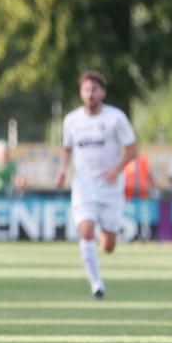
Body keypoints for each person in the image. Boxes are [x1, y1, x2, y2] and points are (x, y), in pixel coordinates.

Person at [56, 70, 137, 299]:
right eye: (86, 89)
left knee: (108, 245)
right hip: (84, 186)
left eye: (94, 89)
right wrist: (62, 170)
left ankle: (107, 238)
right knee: (86, 229)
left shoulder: (115, 118)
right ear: (81, 93)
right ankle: (96, 284)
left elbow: (132, 149)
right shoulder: (71, 120)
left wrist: (117, 169)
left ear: (103, 92)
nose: (90, 94)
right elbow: (67, 149)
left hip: (110, 188)